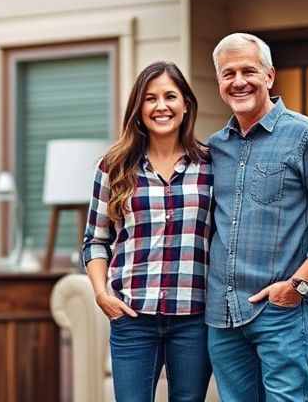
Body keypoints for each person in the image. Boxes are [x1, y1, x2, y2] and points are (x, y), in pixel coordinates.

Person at [206, 33, 308, 402]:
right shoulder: (214, 148)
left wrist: (297, 286)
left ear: (270, 76)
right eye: (229, 74)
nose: (238, 81)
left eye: (248, 70)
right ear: (219, 83)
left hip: (280, 310)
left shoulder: (306, 136)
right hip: (222, 315)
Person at [81, 61, 213, 402]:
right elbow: (96, 240)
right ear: (139, 109)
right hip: (132, 315)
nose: (161, 106)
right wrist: (101, 293)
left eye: (170, 96)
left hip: (194, 316)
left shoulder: (211, 166)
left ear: (186, 104)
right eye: (150, 98)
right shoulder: (113, 167)